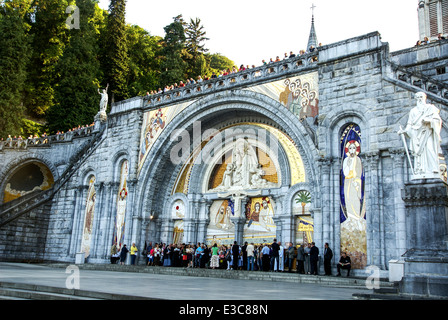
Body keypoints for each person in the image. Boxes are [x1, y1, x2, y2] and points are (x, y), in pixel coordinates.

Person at [398, 91, 442, 178]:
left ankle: (433, 168)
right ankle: (420, 170)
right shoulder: (413, 111)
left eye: (421, 97)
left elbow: (437, 120)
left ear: (425, 98)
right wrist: (404, 131)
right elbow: (410, 124)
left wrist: (429, 121)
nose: (419, 99)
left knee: (430, 149)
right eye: (417, 97)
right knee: (418, 155)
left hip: (427, 132)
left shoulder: (430, 108)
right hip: (416, 135)